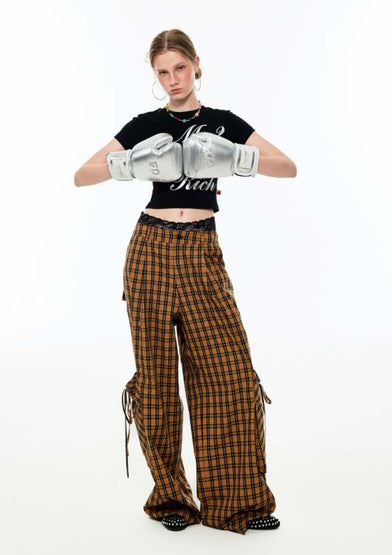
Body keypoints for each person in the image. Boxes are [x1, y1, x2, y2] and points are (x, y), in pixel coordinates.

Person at [74, 28, 297, 535]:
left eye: (179, 68)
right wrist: (130, 164)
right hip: (150, 250)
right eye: (162, 72)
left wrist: (236, 158)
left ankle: (239, 503)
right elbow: (81, 175)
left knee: (230, 375)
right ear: (155, 76)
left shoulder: (223, 122)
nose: (173, 80)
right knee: (155, 380)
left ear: (196, 64)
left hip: (201, 252)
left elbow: (288, 167)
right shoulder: (146, 125)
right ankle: (171, 499)